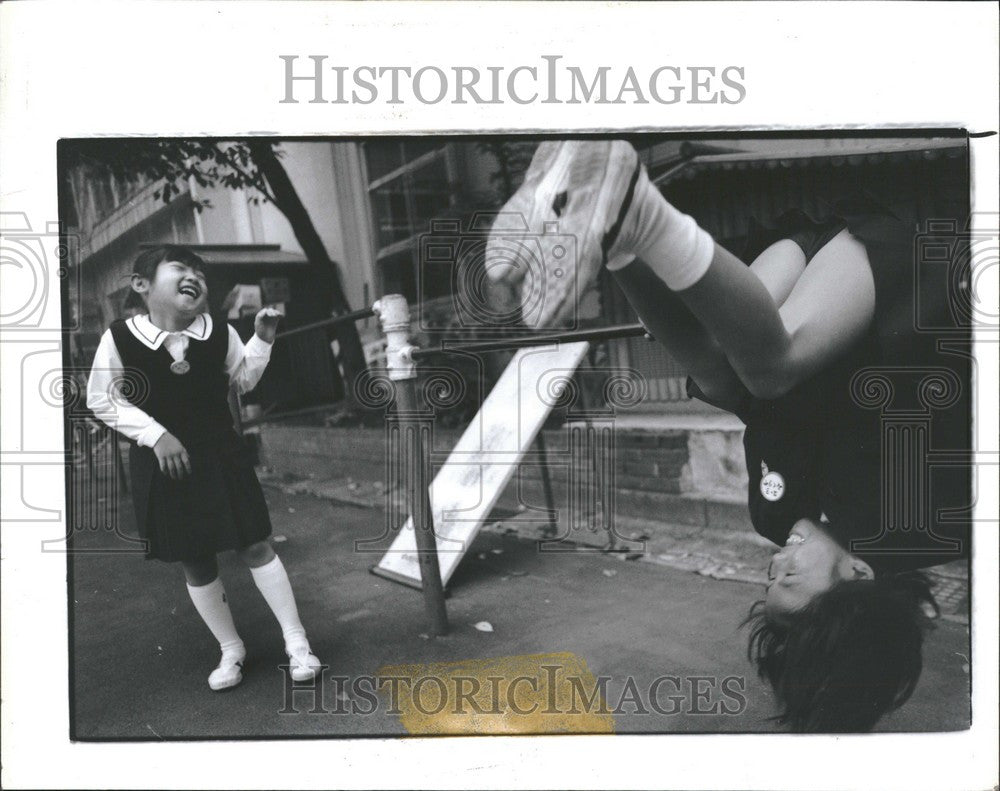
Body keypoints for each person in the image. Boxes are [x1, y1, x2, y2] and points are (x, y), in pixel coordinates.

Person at [487, 140, 970, 731]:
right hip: (893, 280)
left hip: (798, 287)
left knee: (716, 377)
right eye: (792, 579)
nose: (775, 567)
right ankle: (636, 208)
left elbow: (749, 403)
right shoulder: (929, 520)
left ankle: (612, 236)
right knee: (773, 369)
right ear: (860, 577)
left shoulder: (775, 515)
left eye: (770, 579)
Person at [87, 245, 323, 691]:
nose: (193, 275)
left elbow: (243, 378)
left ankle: (297, 643)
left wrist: (263, 339)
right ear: (142, 285)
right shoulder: (119, 337)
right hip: (163, 465)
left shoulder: (218, 331)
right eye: (179, 267)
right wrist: (156, 435)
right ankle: (230, 649)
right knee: (195, 558)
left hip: (220, 453)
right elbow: (102, 399)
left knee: (254, 544)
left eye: (199, 270)